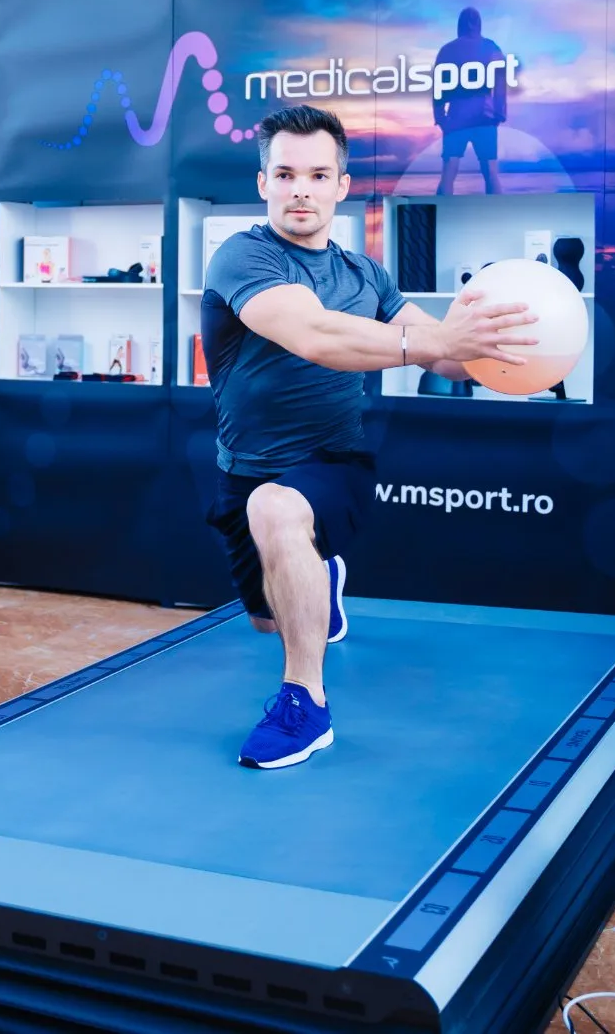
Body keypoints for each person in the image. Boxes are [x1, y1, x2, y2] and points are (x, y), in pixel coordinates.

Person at [202, 106, 536, 770]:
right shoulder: (243, 256)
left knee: (277, 508)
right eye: (285, 174)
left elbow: (442, 354)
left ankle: (305, 704)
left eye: (317, 175)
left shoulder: (366, 275)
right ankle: (321, 579)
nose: (301, 189)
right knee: (267, 617)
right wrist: (435, 341)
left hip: (334, 461)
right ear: (264, 183)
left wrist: (497, 349)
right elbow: (314, 334)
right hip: (245, 466)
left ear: (341, 186)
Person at [432, 6, 509, 195]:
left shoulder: (447, 50)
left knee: (449, 172)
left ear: (460, 24)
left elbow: (438, 89)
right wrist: (499, 114)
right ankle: (497, 211)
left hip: (456, 118)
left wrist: (440, 117)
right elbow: (500, 85)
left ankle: (443, 211)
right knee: (490, 172)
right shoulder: (491, 47)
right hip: (485, 118)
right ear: (479, 24)